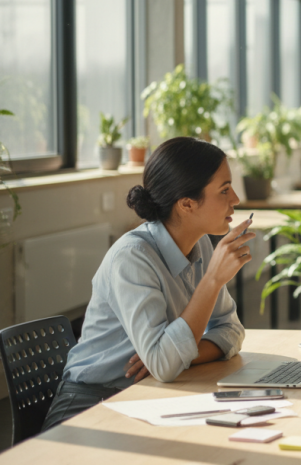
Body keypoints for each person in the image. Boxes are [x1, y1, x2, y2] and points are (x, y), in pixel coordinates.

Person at [42, 137, 253, 431]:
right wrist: (213, 280)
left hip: (147, 395)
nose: (236, 200)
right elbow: (165, 366)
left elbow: (231, 331)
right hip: (90, 405)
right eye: (224, 190)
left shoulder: (202, 245)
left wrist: (178, 355)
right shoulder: (133, 258)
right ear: (187, 204)